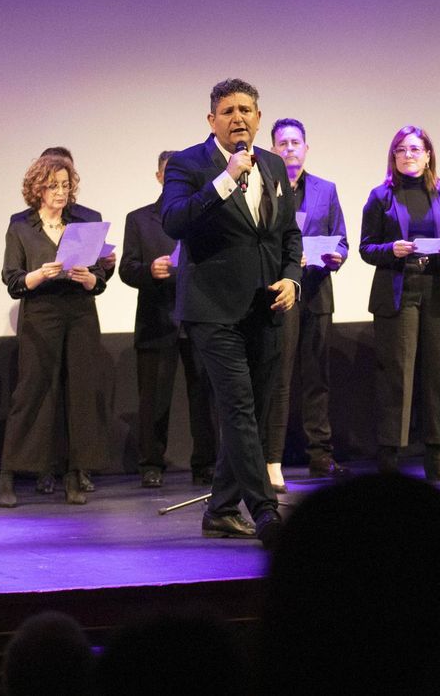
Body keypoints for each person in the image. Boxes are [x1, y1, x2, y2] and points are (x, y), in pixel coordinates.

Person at [159, 78, 301, 546]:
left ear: (259, 118)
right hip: (213, 309)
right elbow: (175, 220)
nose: (237, 117)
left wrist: (292, 277)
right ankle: (264, 511)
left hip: (266, 308)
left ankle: (220, 510)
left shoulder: (276, 166)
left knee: (255, 413)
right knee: (238, 408)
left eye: (245, 109)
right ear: (211, 120)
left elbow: (287, 236)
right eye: (227, 111)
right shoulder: (189, 164)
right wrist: (225, 180)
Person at [0, 152, 115, 508]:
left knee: (80, 392)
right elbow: (12, 278)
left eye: (65, 185)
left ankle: (75, 473)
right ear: (38, 189)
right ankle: (10, 473)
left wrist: (92, 277)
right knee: (32, 391)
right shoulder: (21, 225)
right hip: (41, 312)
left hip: (79, 311)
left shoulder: (86, 220)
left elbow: (102, 277)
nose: (60, 192)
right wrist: (39, 274)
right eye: (52, 186)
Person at [359, 125, 440, 480]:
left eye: (416, 149)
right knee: (397, 375)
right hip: (397, 291)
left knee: (438, 375)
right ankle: (390, 456)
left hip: (436, 288)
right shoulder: (380, 196)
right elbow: (366, 248)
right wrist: (391, 249)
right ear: (393, 157)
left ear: (428, 154)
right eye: (402, 150)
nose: (409, 155)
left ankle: (436, 456)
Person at [119, 150, 217, 489]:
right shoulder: (139, 218)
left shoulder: (205, 216)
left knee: (204, 398)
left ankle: (205, 464)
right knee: (154, 400)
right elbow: (127, 269)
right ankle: (151, 464)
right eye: (169, 173)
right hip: (156, 320)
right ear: (160, 177)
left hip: (199, 318)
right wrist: (151, 270)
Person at [263, 118, 351, 489]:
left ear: (306, 147)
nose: (289, 148)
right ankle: (273, 459)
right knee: (279, 378)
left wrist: (336, 257)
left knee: (317, 378)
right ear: (273, 148)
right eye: (282, 143)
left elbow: (342, 240)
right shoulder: (266, 187)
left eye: (295, 142)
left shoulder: (325, 189)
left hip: (316, 292)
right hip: (282, 296)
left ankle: (320, 456)